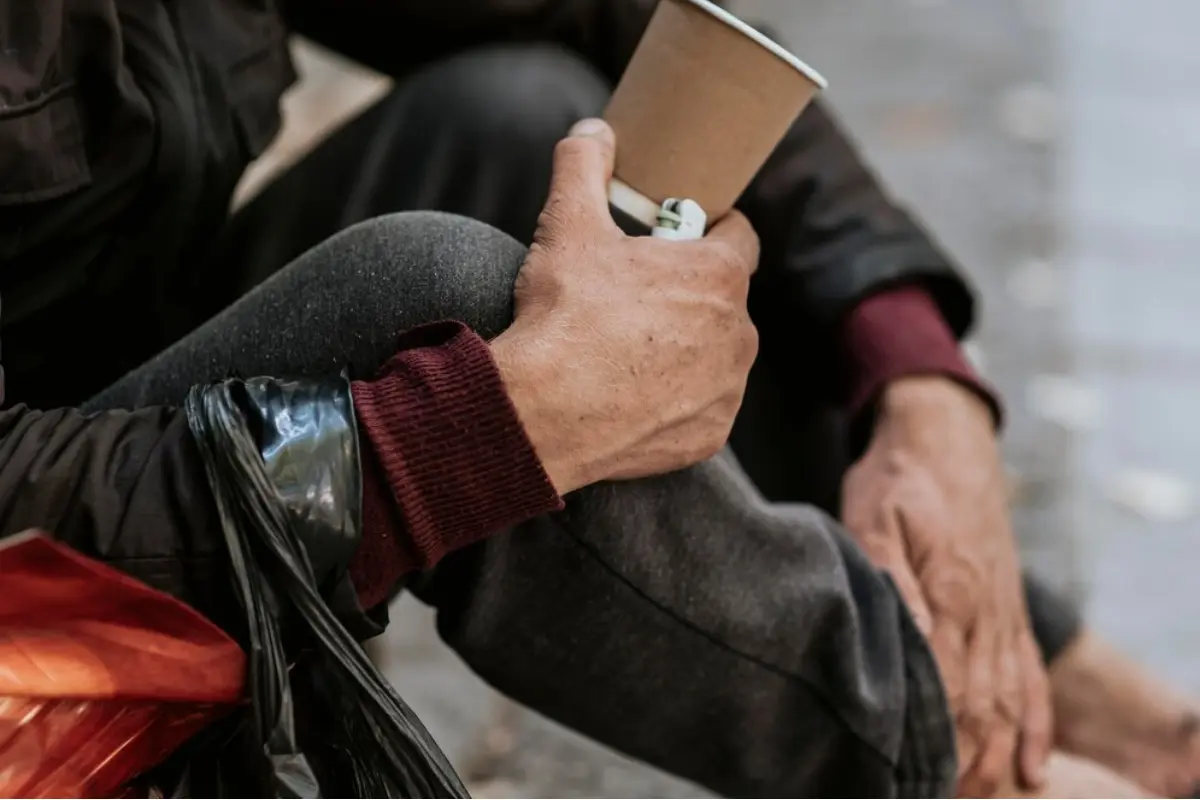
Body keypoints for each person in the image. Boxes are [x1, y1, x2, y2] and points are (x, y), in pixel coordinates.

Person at [0, 1, 1196, 796]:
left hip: (100, 415)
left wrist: (919, 375)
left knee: (531, 120)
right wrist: (446, 445)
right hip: (31, 633)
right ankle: (963, 751)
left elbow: (612, 11)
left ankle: (1030, 663)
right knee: (444, 295)